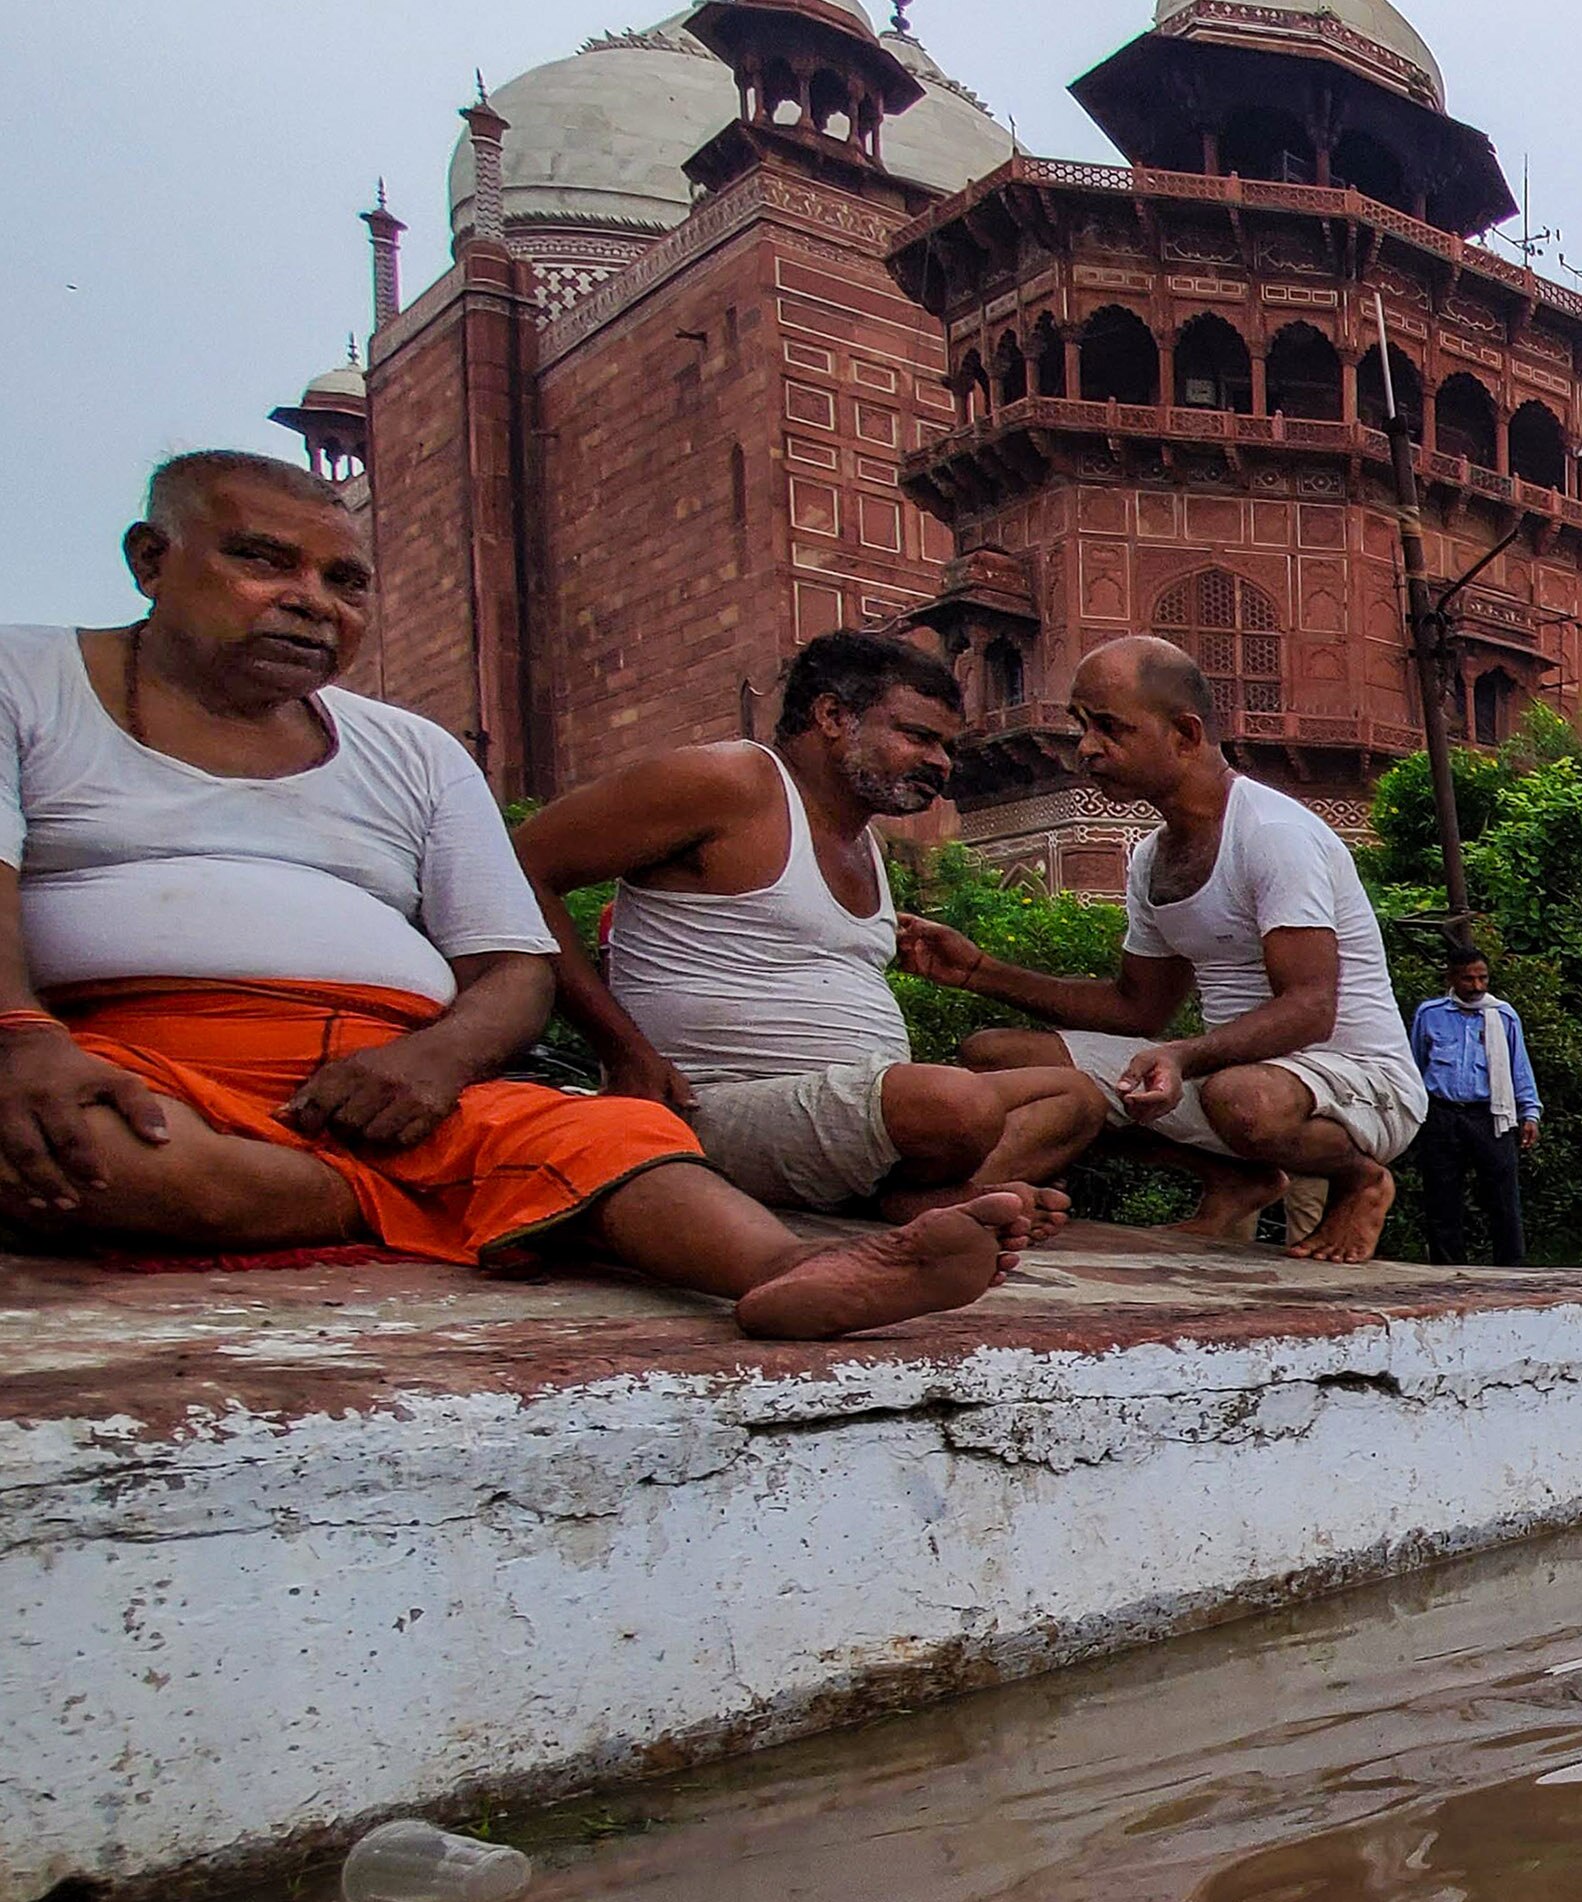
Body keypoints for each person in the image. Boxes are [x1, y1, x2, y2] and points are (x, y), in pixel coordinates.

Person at [0, 453, 1022, 1337]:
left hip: (401, 1079)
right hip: (138, 1059)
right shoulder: (27, 679)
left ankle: (791, 1273)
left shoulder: (412, 749)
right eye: (263, 559)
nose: (313, 598)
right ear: (151, 559)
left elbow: (508, 965)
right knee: (70, 1138)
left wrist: (432, 1062)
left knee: (612, 1138)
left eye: (347, 580)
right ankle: (418, 1200)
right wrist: (22, 1038)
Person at [510, 630, 1096, 1236]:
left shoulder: (864, 841)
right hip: (703, 1107)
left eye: (947, 746)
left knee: (1073, 1098)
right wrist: (624, 1053)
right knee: (955, 1105)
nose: (941, 764)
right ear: (833, 716)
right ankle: (922, 1191)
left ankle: (914, 1194)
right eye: (918, 736)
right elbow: (517, 868)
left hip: (853, 1119)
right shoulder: (732, 782)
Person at [907, 637, 1421, 1262]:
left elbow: (1312, 1009)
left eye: (1110, 728)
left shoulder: (1275, 835)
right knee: (995, 1058)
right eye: (1082, 726)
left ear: (1183, 733)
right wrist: (979, 971)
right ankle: (1235, 1179)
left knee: (1242, 1100)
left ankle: (1358, 1178)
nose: (1088, 748)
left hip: (1358, 1084)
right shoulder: (1152, 855)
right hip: (1228, 1077)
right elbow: (1136, 1010)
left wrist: (1181, 1056)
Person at [1404, 946, 1541, 1265]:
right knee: (1442, 1194)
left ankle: (1510, 1267)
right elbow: (1415, 1064)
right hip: (1443, 1112)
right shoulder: (1430, 1014)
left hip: (1489, 1115)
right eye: (1468, 979)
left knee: (1502, 1196)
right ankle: (1447, 1267)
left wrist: (1529, 1112)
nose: (1477, 986)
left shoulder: (1502, 1015)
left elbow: (1518, 1066)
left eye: (1482, 978)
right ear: (1452, 977)